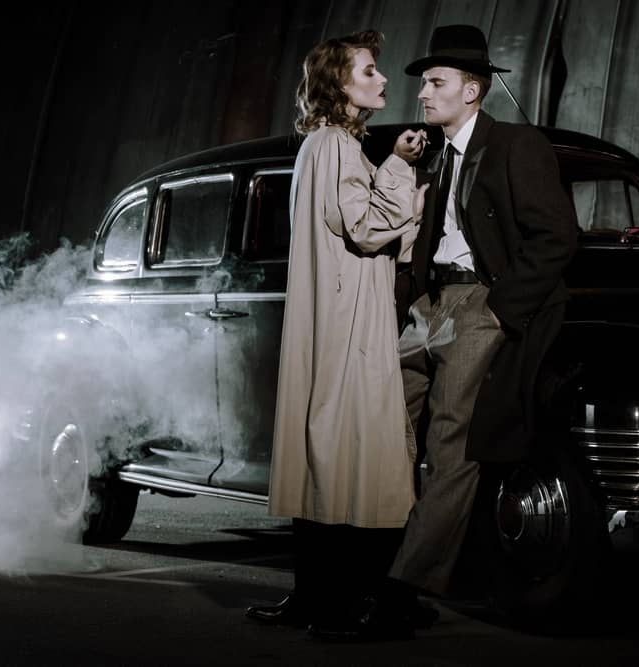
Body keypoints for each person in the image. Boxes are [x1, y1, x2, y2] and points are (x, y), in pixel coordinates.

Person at [243, 29, 430, 639]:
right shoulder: (341, 148)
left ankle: (315, 598)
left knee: (326, 452)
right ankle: (353, 603)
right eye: (370, 71)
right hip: (352, 324)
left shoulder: (322, 146)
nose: (382, 80)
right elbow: (368, 229)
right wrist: (400, 167)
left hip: (333, 317)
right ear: (339, 84)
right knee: (365, 455)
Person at [386, 24, 578, 609]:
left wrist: (496, 309)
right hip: (428, 306)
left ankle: (406, 584)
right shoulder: (438, 155)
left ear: (472, 91)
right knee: (379, 425)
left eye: (435, 83)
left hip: (478, 304)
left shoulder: (517, 144)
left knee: (453, 444)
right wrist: (412, 299)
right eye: (425, 83)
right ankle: (375, 558)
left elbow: (556, 237)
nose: (422, 93)